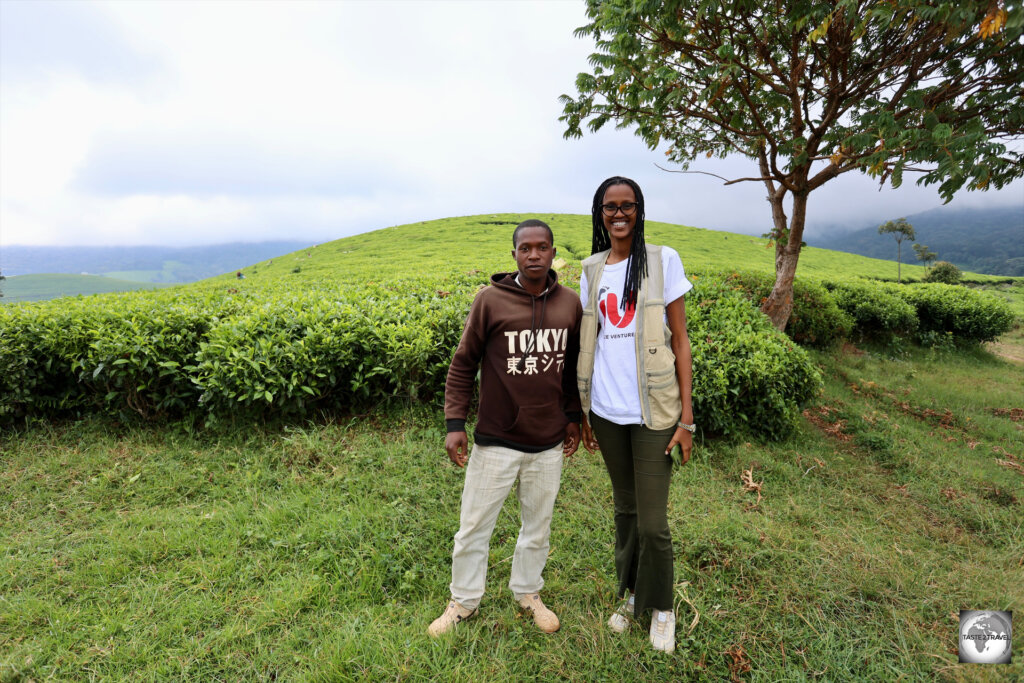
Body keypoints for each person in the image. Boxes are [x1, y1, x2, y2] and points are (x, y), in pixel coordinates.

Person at [429, 219, 583, 637]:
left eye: (542, 247)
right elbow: (463, 363)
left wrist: (573, 416)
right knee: (474, 526)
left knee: (538, 525)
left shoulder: (570, 303)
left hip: (548, 441)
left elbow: (570, 369)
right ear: (514, 254)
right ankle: (464, 601)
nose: (534, 254)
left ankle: (528, 592)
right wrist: (455, 422)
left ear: (554, 254)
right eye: (525, 248)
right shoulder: (490, 301)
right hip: (496, 438)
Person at [577, 176, 694, 653]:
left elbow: (681, 341)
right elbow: (590, 339)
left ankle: (661, 607)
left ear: (639, 210)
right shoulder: (590, 269)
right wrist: (582, 410)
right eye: (610, 206)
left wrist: (686, 419)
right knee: (624, 510)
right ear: (599, 213)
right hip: (606, 410)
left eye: (627, 205)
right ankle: (630, 596)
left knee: (652, 523)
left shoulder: (664, 260)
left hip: (655, 413)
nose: (618, 213)